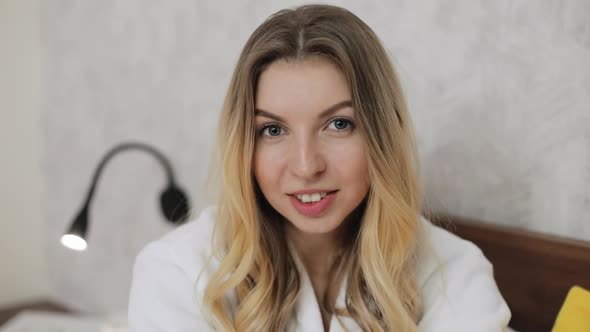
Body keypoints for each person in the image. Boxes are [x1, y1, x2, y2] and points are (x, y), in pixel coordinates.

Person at [128, 4, 510, 331]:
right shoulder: (177, 272)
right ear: (244, 143)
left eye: (339, 124)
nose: (307, 165)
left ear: (380, 134)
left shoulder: (453, 273)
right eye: (273, 130)